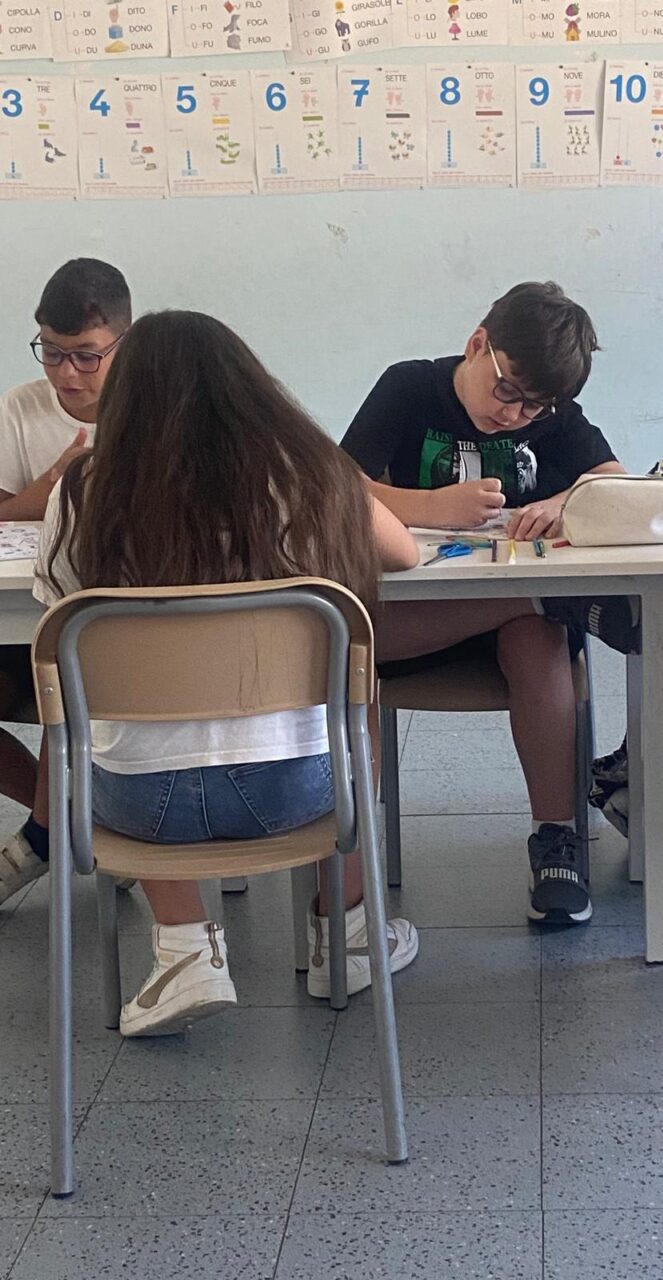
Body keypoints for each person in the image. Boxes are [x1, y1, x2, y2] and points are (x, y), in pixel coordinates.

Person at [30, 310, 421, 1035]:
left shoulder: (82, 494)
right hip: (301, 793)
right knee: (353, 687)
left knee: (124, 721)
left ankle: (184, 948)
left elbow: (60, 616)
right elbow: (405, 553)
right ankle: (345, 932)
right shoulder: (311, 479)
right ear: (251, 389)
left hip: (136, 806)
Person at [340, 281, 626, 925]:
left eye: (535, 407)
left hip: (505, 632)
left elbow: (613, 479)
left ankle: (556, 838)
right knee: (358, 634)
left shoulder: (548, 413)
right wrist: (426, 507)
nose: (516, 415)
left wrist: (564, 503)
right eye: (507, 391)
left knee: (537, 638)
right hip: (410, 623)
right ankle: (541, 601)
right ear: (477, 346)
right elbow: (338, 485)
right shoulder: (410, 387)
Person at [0, 261, 129, 872]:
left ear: (123, 344)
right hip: (26, 620)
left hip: (122, 629)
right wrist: (49, 489)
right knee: (55, 661)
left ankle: (47, 836)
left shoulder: (155, 409)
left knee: (70, 666)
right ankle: (77, 823)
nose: (65, 373)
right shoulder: (22, 408)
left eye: (85, 356)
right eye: (50, 352)